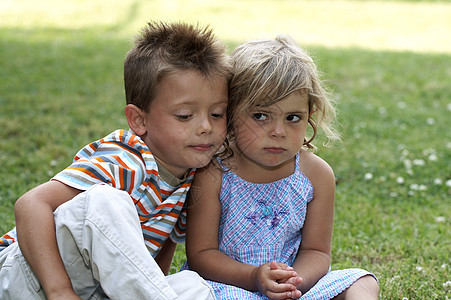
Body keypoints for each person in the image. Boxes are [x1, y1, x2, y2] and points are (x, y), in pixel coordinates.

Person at [0, 21, 231, 300]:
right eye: (184, 116)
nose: (206, 126)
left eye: (217, 114)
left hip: (93, 288)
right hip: (26, 275)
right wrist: (58, 290)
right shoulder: (127, 159)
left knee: (194, 286)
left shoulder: (191, 176)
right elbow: (30, 203)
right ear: (139, 120)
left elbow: (154, 259)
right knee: (105, 202)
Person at [183, 35, 379, 299]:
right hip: (229, 286)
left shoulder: (316, 175)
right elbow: (201, 255)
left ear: (310, 116)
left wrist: (291, 284)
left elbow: (317, 252)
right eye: (261, 116)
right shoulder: (214, 173)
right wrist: (254, 278)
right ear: (230, 112)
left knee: (362, 282)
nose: (278, 132)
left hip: (296, 288)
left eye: (292, 118)